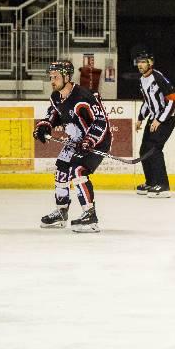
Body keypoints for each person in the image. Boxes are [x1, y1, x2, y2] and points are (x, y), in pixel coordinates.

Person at [33, 60, 111, 233]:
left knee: (78, 171)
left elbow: (101, 121)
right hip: (76, 141)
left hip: (97, 141)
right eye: (51, 77)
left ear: (67, 77)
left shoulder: (83, 96)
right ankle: (61, 212)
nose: (52, 81)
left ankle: (90, 216)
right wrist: (44, 126)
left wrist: (89, 140)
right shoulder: (56, 96)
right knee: (61, 168)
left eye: (56, 77)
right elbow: (53, 114)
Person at [134, 51, 175, 198]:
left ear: (151, 63)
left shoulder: (158, 77)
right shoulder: (142, 80)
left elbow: (173, 99)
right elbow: (148, 101)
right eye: (138, 61)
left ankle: (163, 186)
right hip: (154, 118)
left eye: (143, 61)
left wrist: (160, 120)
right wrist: (140, 118)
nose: (140, 64)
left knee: (154, 149)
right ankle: (151, 182)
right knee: (144, 150)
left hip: (168, 117)